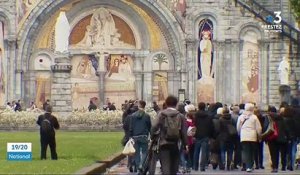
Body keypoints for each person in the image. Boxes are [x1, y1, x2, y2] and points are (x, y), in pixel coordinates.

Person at [151, 95, 188, 175]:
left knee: (165, 166)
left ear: (166, 103)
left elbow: (154, 126)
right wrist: (186, 144)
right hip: (176, 144)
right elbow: (184, 132)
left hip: (163, 143)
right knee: (174, 167)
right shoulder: (180, 116)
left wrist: (152, 137)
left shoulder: (161, 114)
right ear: (176, 104)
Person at [127, 100, 151, 172]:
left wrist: (130, 136)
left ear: (139, 106)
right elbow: (149, 126)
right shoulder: (147, 116)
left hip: (135, 136)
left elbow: (131, 127)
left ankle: (138, 166)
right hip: (144, 136)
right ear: (144, 106)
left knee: (136, 153)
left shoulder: (133, 116)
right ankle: (141, 164)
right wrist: (150, 135)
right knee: (144, 152)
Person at [236, 103, 262, 173]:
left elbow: (238, 127)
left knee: (246, 151)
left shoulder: (241, 117)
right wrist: (259, 135)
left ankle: (247, 166)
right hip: (252, 136)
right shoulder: (254, 117)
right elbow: (259, 128)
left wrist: (239, 133)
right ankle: (250, 165)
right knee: (252, 151)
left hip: (244, 135)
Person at [193, 102, 214, 171]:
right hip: (206, 135)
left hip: (197, 134)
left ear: (198, 107)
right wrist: (211, 135)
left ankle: (195, 166)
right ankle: (202, 167)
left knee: (196, 151)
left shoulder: (195, 115)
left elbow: (194, 125)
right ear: (205, 107)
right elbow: (211, 126)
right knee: (204, 152)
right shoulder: (209, 115)